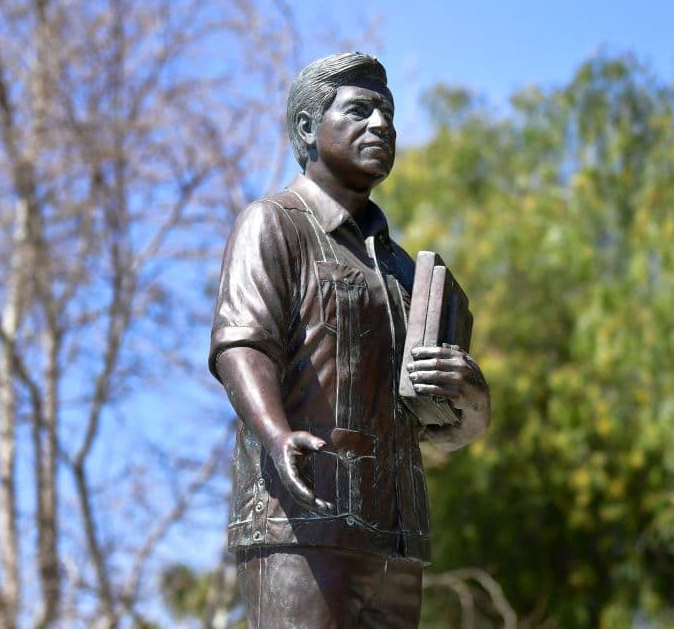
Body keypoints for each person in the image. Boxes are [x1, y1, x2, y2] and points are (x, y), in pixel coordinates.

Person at [208, 52, 490, 628]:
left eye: (389, 114)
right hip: (300, 525)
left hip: (396, 542)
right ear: (308, 128)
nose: (382, 125)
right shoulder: (273, 223)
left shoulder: (406, 271)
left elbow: (437, 425)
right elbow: (242, 343)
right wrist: (276, 433)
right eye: (360, 111)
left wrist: (472, 400)